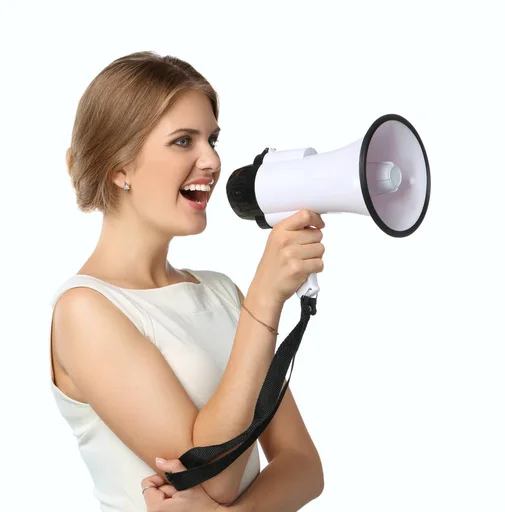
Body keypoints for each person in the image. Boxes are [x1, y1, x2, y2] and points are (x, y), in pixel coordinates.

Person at [49, 51, 325, 512]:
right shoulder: (85, 311)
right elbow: (210, 476)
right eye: (183, 141)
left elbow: (303, 466)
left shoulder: (221, 292)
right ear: (119, 167)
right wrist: (264, 298)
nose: (213, 161)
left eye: (212, 139)